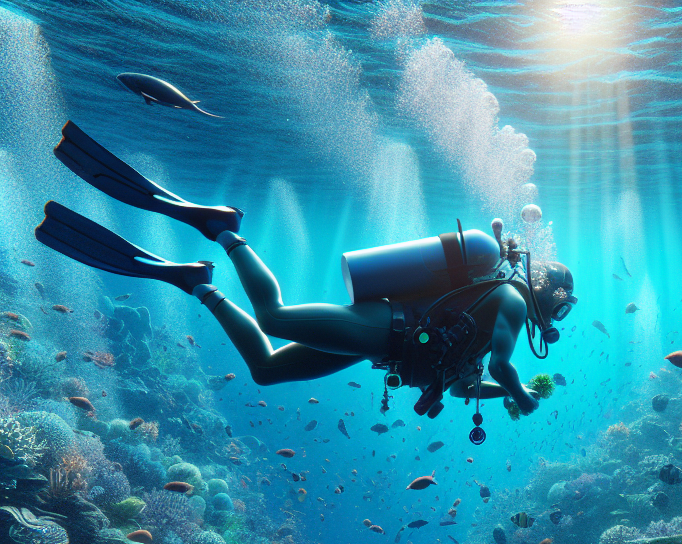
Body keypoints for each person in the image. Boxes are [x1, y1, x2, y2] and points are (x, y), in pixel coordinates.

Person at [34, 121, 576, 420]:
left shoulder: (493, 309)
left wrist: (500, 394)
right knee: (273, 317)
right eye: (563, 303)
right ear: (544, 288)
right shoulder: (506, 300)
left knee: (267, 369)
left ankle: (199, 283)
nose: (559, 315)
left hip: (377, 344)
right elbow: (504, 365)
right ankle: (225, 229)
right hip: (379, 325)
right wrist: (521, 394)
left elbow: (462, 388)